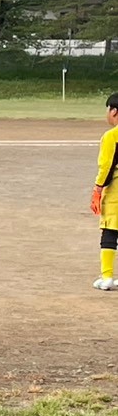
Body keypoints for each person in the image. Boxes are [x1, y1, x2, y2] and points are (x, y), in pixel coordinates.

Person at [88, 93, 118, 290]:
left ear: (114, 111)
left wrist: (97, 189)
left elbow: (106, 166)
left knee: (109, 231)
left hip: (116, 192)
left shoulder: (111, 136)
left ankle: (106, 277)